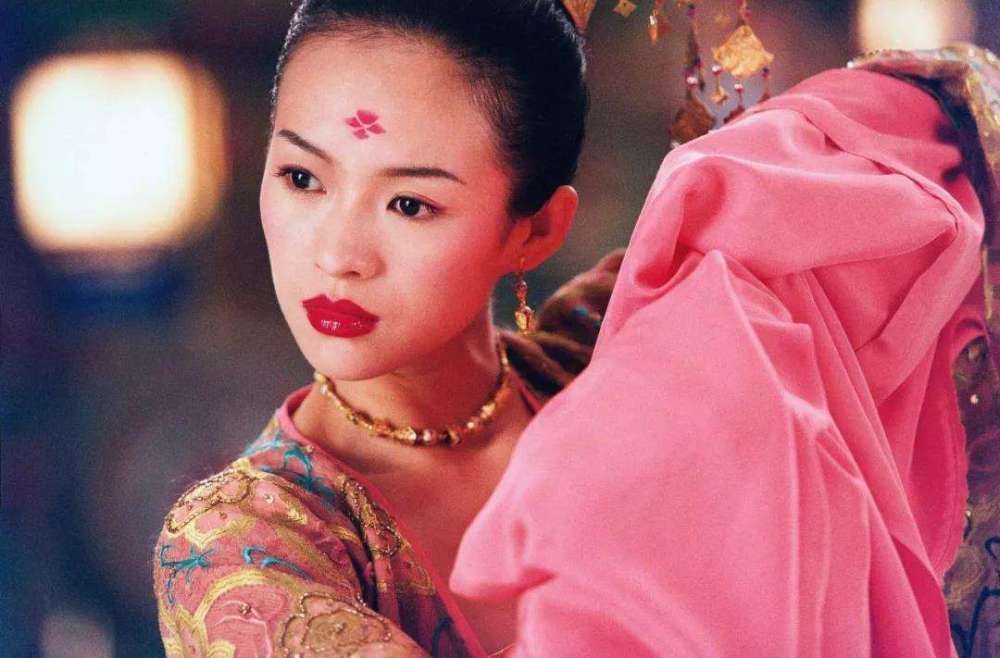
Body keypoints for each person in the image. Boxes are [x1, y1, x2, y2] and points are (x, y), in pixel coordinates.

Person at [151, 1, 590, 656]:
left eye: (409, 204)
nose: (338, 256)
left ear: (536, 230)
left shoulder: (608, 356)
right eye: (303, 178)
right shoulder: (240, 544)